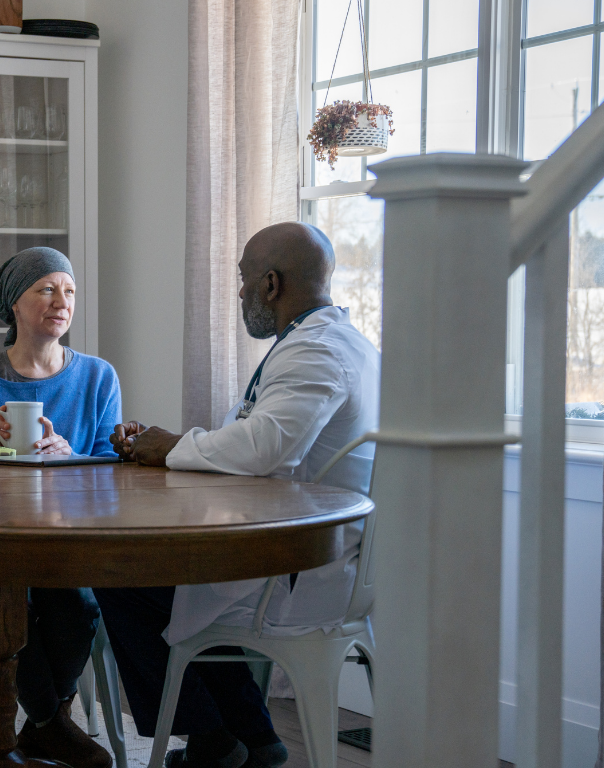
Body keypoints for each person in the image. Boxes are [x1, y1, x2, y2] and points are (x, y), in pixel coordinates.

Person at [98, 222, 379, 768]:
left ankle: (211, 742)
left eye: (245, 280)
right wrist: (170, 445)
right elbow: (257, 436)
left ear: (272, 284)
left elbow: (263, 449)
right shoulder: (336, 341)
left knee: (122, 577)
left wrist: (175, 445)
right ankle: (255, 738)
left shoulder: (314, 352)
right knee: (169, 587)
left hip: (307, 570)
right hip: (321, 555)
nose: (242, 293)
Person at [0, 246, 121, 768]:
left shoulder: (97, 377)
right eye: (45, 289)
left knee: (78, 606)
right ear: (13, 305)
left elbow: (112, 468)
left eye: (68, 291)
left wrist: (70, 454)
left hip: (68, 539)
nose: (60, 301)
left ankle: (41, 727)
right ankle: (52, 726)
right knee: (1, 610)